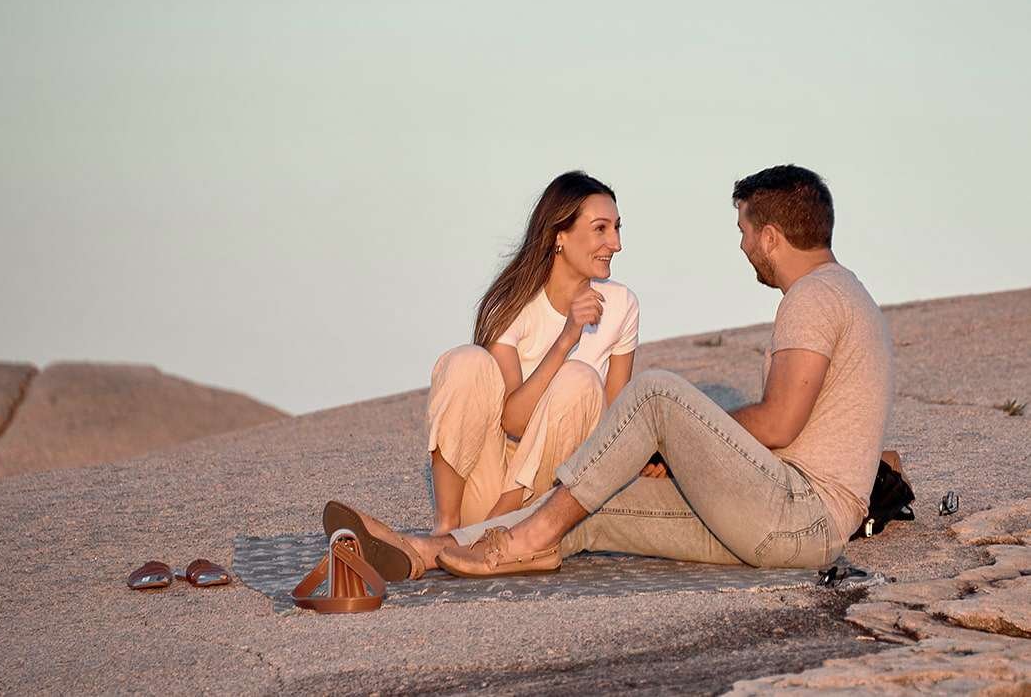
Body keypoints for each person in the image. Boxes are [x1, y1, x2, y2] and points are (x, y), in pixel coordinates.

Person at [324, 164, 894, 581]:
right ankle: (423, 550)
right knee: (591, 514)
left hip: (798, 516)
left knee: (656, 394)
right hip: (787, 525)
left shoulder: (814, 298)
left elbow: (778, 424)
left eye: (746, 231)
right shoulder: (848, 292)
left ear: (772, 237)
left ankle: (530, 536)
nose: (744, 245)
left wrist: (679, 441)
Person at [425, 170, 640, 536]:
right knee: (465, 361)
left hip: (551, 497)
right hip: (489, 484)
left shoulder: (622, 304)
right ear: (559, 235)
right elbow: (513, 422)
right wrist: (566, 339)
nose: (616, 244)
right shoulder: (514, 306)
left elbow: (614, 423)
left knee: (580, 380)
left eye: (618, 228)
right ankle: (448, 528)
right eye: (601, 229)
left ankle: (498, 529)